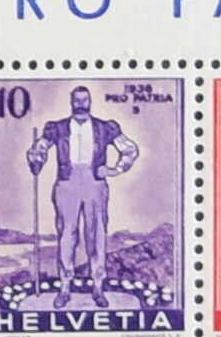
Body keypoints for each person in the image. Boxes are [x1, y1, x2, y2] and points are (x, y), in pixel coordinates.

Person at [27, 85, 140, 289]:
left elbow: (130, 149)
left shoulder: (105, 128)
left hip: (94, 183)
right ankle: (65, 286)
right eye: (77, 100)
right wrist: (36, 159)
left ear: (90, 102)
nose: (80, 104)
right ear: (71, 102)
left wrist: (115, 170)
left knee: (96, 234)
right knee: (66, 234)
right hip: (66, 183)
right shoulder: (57, 128)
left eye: (84, 100)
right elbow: (39, 149)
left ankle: (98, 286)